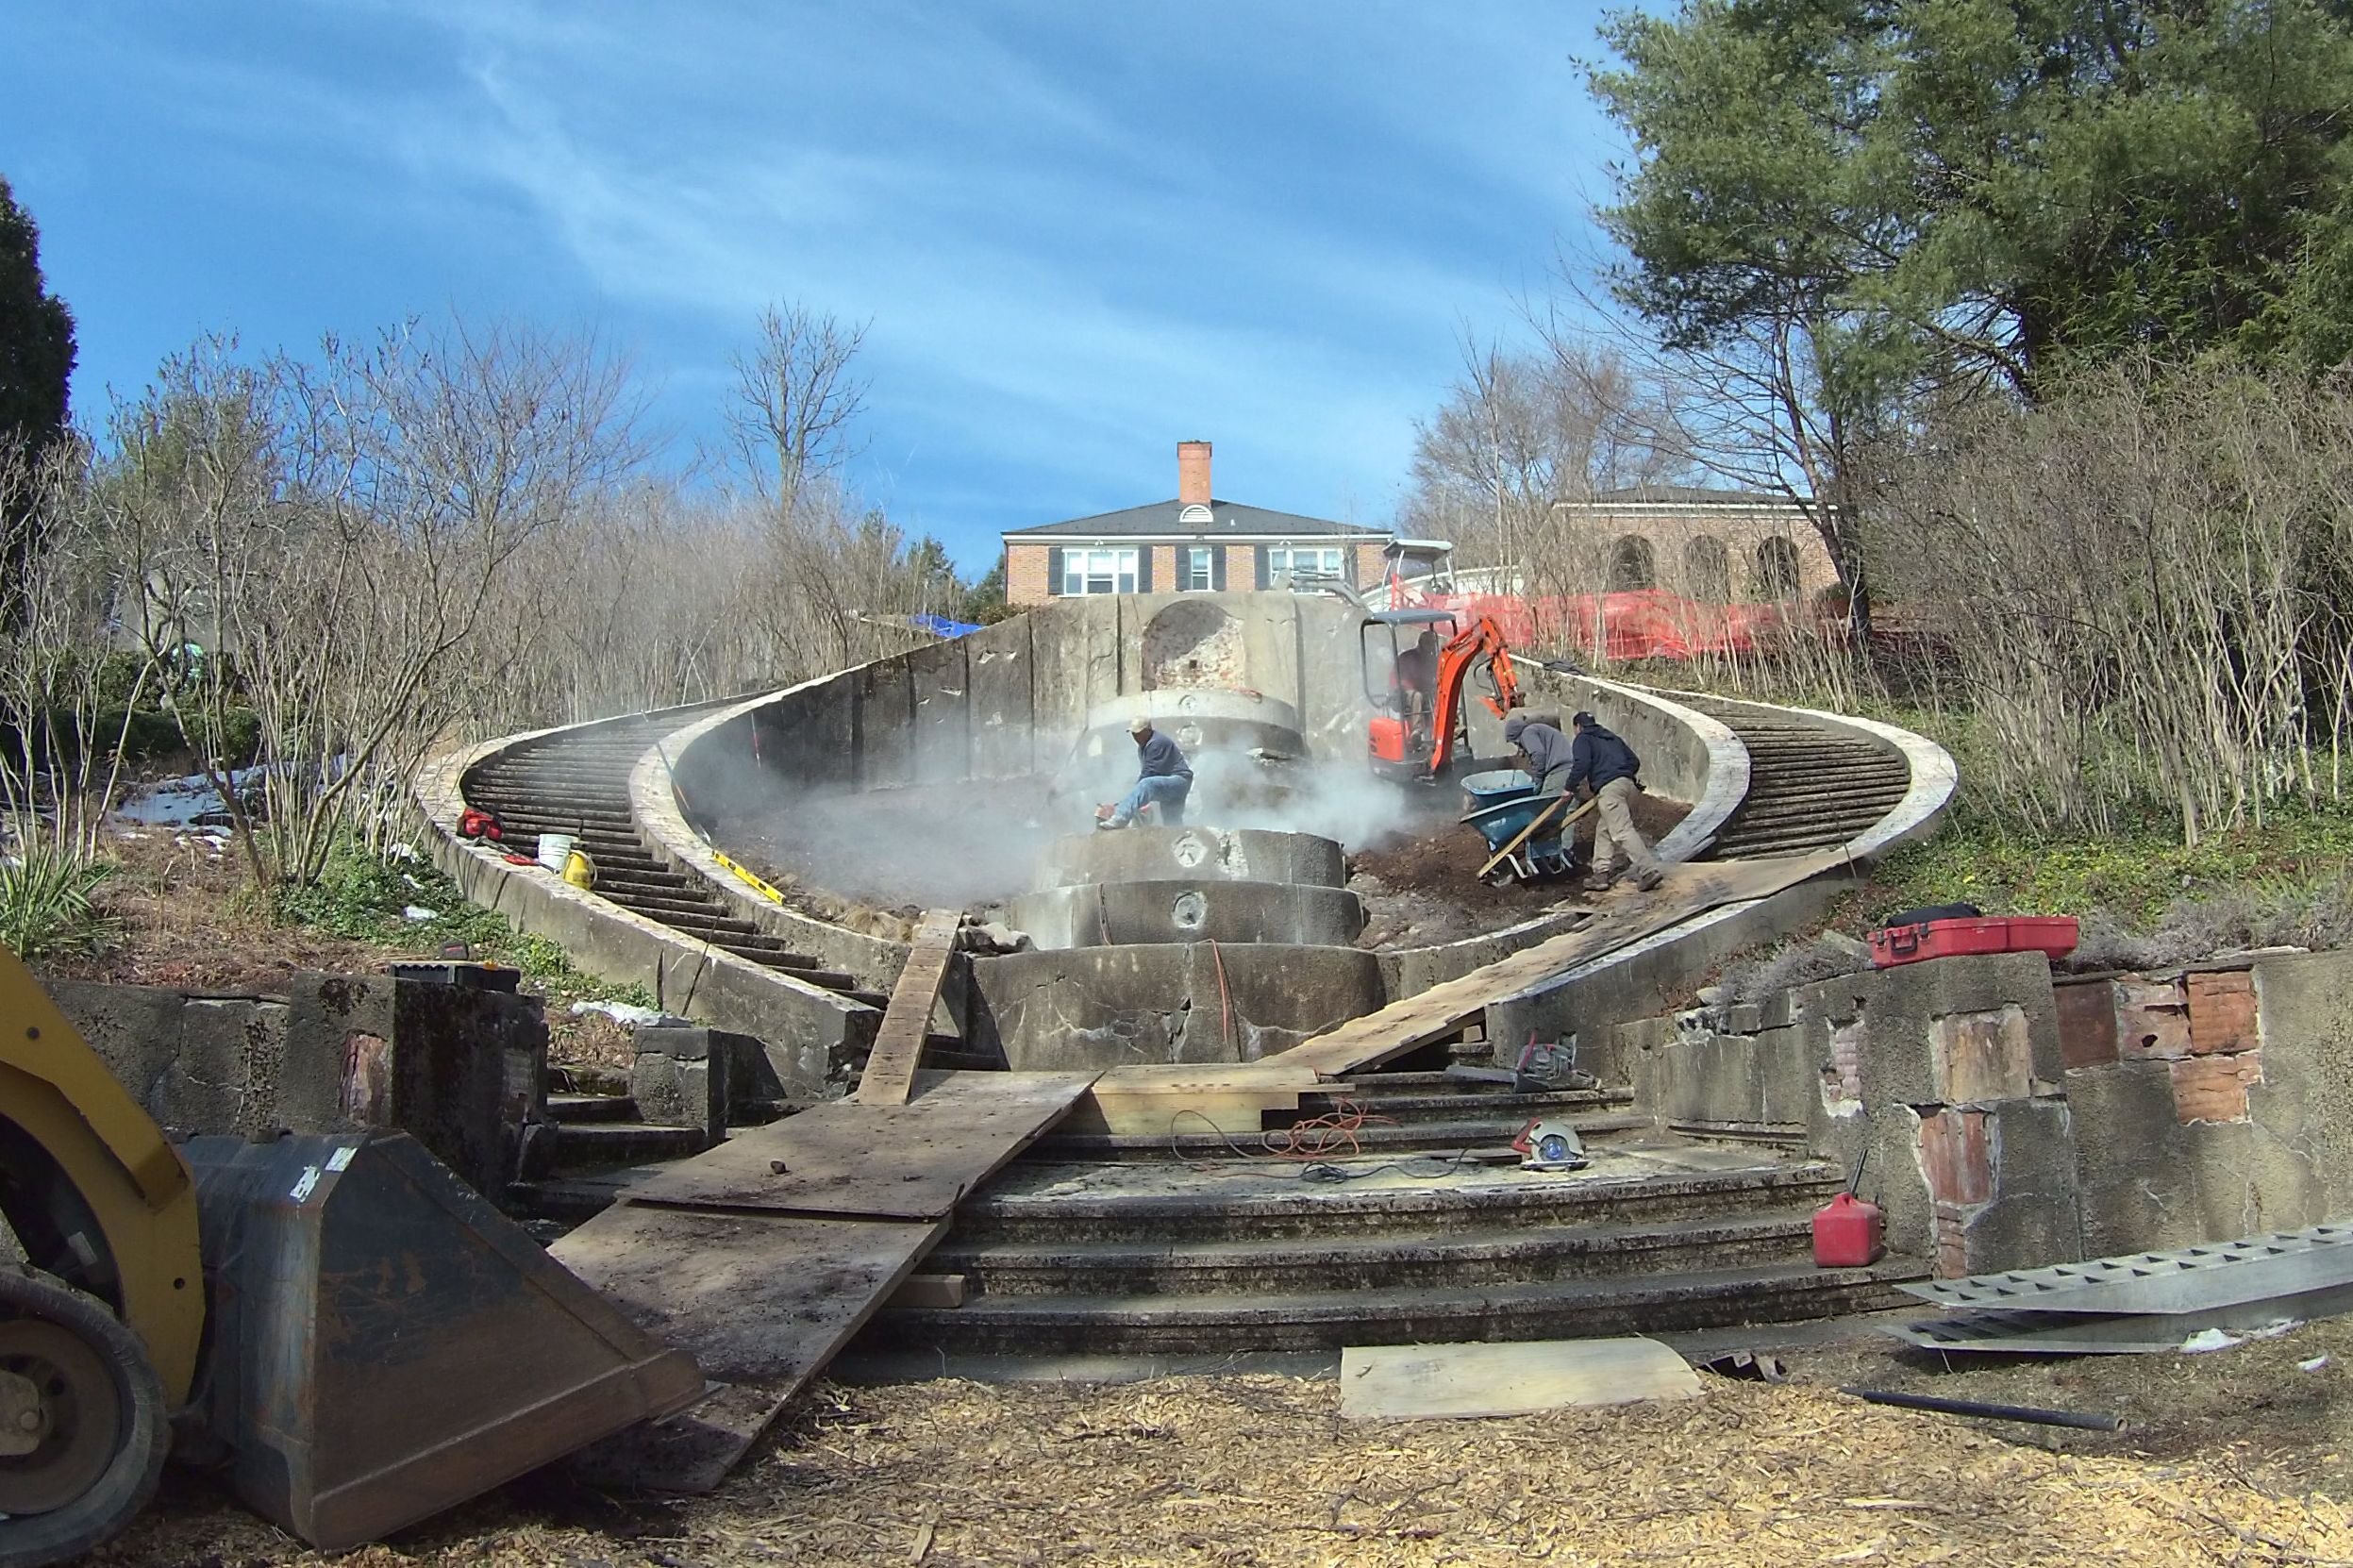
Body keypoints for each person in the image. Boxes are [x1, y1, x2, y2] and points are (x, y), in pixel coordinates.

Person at [1502, 709, 1665, 893]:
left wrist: (1569, 787)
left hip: (1610, 789)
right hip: (1628, 786)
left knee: (1621, 831)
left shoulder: (1582, 739)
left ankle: (1648, 871)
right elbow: (1633, 761)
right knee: (1604, 830)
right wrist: (1622, 775)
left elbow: (1581, 764)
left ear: (1578, 727)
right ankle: (1600, 875)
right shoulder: (1610, 737)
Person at [1095, 716, 1193, 829]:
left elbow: (1150, 772)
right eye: (1133, 733)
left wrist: (1130, 799)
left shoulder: (1156, 742)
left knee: (1146, 784)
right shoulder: (1144, 746)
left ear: (1148, 731)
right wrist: (1134, 796)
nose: (1135, 736)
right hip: (1175, 784)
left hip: (1178, 780)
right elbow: (1148, 771)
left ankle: (1120, 818)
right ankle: (1178, 835)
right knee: (1172, 822)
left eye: (1138, 733)